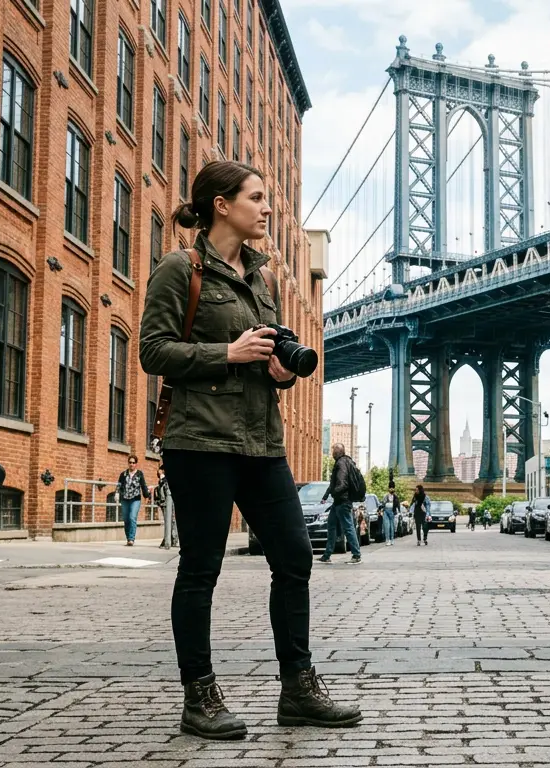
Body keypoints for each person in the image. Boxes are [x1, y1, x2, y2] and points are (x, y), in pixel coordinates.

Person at [140, 160, 360, 739]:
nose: (266, 209)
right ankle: (199, 695)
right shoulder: (178, 268)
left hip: (263, 444)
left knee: (294, 557)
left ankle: (298, 690)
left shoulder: (262, 280)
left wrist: (280, 371)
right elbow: (153, 352)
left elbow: (265, 362)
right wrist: (227, 354)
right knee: (200, 570)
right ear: (221, 204)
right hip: (202, 442)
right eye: (257, 198)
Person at [318, 444, 362, 564]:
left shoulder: (341, 464)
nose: (332, 453)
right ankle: (327, 555)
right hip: (338, 502)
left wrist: (334, 493)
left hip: (343, 501)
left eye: (333, 451)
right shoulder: (344, 462)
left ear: (337, 452)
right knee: (331, 526)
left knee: (348, 528)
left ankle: (356, 555)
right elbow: (333, 483)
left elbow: (342, 484)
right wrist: (326, 496)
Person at [116, 455, 147, 546]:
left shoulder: (139, 474)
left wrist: (146, 495)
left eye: (133, 463)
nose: (131, 464)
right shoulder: (123, 474)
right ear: (128, 463)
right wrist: (117, 493)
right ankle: (128, 537)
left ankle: (131, 539)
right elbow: (119, 484)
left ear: (136, 464)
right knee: (126, 519)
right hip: (125, 499)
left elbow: (143, 486)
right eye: (130, 462)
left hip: (135, 499)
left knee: (132, 517)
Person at [157, 469, 179, 549]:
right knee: (172, 518)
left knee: (169, 518)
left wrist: (162, 478)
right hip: (173, 491)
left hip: (170, 492)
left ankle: (168, 542)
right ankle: (173, 540)